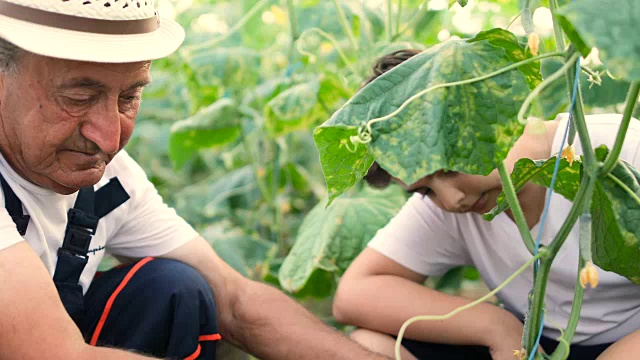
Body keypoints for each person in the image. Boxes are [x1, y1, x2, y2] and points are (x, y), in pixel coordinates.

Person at [0, 1, 392, 359]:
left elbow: (237, 302)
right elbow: (52, 353)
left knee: (172, 288)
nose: (111, 137)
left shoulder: (111, 183)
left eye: (128, 99)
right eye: (80, 97)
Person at [331, 49, 640, 360]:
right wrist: (496, 326)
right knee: (370, 345)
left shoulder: (622, 149)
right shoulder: (450, 206)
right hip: (529, 342)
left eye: (451, 167)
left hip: (628, 340)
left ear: (491, 113)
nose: (452, 199)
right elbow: (354, 293)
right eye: (424, 189)